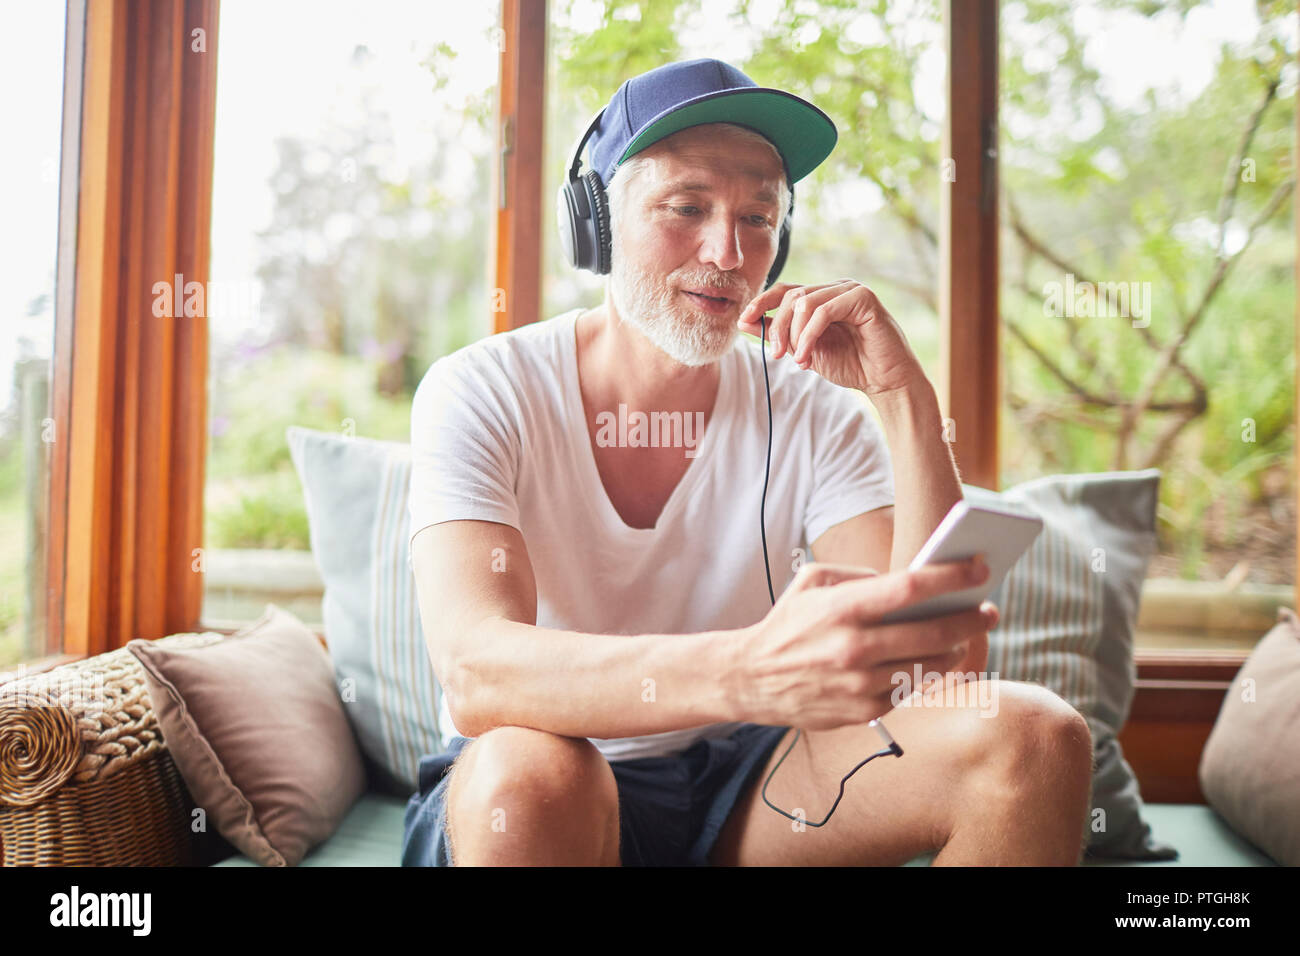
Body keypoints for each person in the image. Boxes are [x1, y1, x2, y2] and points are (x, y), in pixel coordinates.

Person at [401, 58, 1093, 867]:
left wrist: (901, 395)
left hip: (747, 787)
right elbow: (477, 673)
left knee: (1034, 738)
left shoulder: (813, 410)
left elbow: (928, 673)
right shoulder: (480, 388)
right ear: (595, 223)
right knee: (532, 772)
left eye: (760, 217)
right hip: (548, 784)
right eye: (686, 207)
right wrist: (751, 669)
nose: (728, 251)